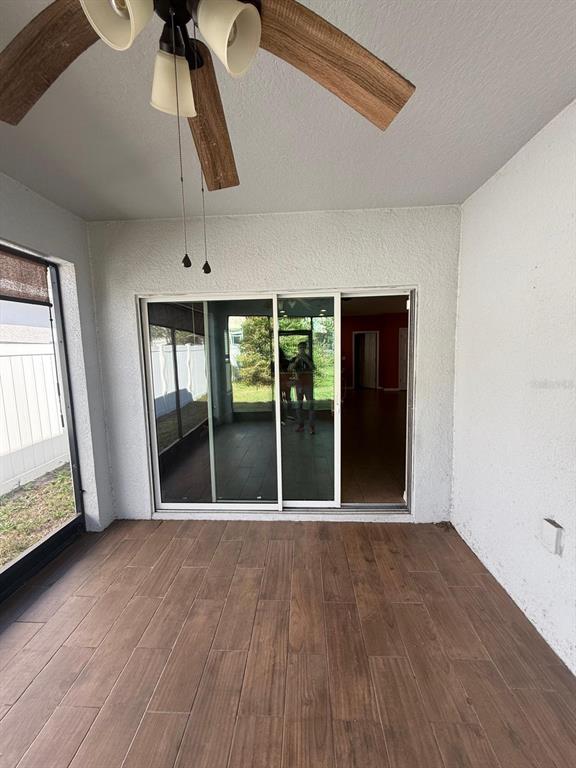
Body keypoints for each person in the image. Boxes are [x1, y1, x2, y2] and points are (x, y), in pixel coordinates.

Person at [288, 341, 315, 434]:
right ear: (298, 349)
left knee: (311, 404)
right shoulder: (294, 358)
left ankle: (311, 426)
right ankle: (301, 425)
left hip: (308, 385)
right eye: (300, 348)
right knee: (299, 405)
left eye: (304, 348)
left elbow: (313, 368)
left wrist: (306, 361)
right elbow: (290, 368)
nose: (302, 350)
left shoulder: (309, 358)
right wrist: (296, 361)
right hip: (299, 384)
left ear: (306, 349)